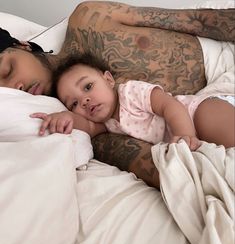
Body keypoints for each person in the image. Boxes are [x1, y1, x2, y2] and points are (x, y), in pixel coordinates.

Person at [0, 2, 234, 188]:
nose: (15, 86)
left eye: (7, 70)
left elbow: (197, 21)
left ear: (23, 45)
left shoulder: (89, 19)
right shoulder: (87, 117)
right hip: (198, 122)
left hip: (222, 63)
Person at [31, 52, 235, 151]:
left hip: (195, 112)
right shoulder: (107, 124)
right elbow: (88, 127)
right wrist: (65, 118)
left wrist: (185, 133)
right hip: (185, 138)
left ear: (108, 79)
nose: (84, 100)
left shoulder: (130, 92)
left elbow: (169, 105)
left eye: (88, 87)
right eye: (73, 104)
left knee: (215, 128)